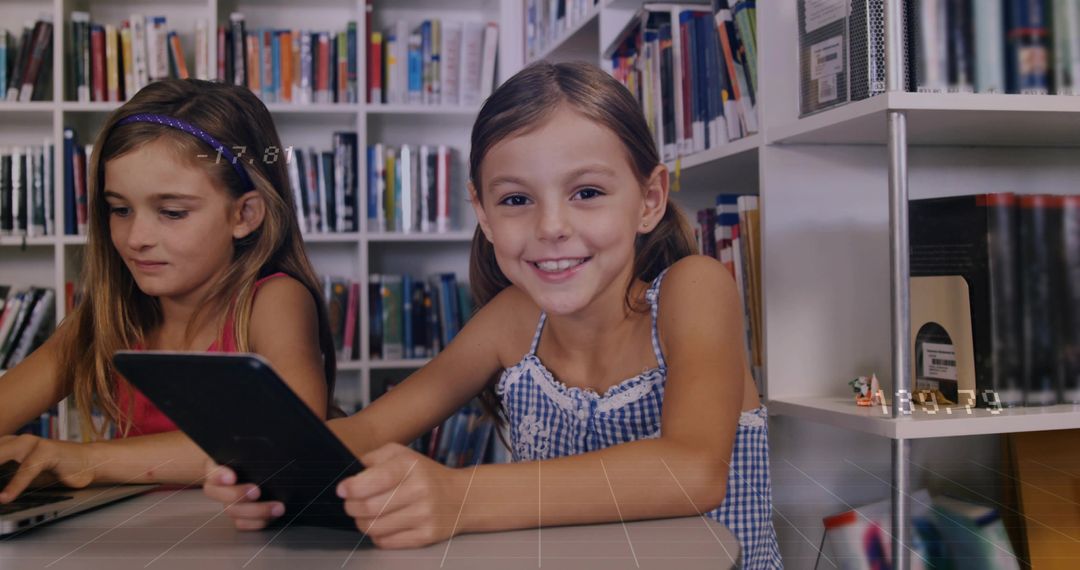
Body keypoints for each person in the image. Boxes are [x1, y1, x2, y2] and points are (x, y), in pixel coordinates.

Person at [205, 61, 783, 568]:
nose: (551, 226)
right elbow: (367, 431)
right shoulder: (514, 319)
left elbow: (691, 472)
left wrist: (460, 497)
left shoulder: (694, 288)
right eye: (515, 199)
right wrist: (278, 473)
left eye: (587, 192)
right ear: (482, 213)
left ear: (649, 199)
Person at [0, 79, 336, 502]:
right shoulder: (111, 313)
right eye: (119, 209)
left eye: (172, 212)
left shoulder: (274, 301)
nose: (136, 237)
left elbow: (287, 440)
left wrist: (84, 461)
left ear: (245, 214)